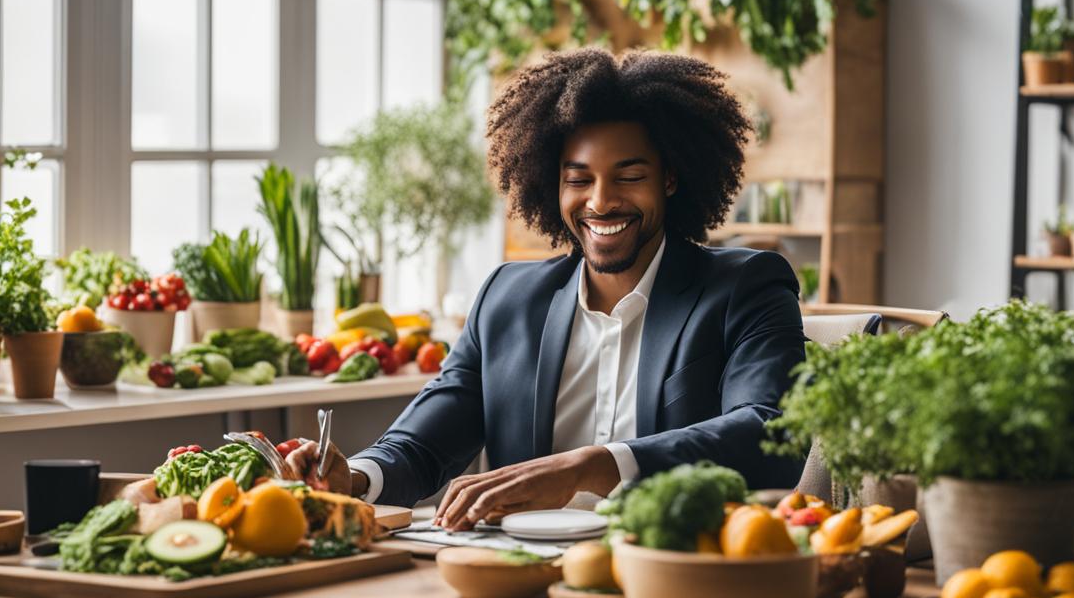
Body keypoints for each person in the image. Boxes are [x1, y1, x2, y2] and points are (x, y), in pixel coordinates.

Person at [310, 47, 806, 530]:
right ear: (554, 186)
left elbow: (767, 432)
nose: (602, 201)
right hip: (516, 578)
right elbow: (421, 447)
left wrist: (593, 467)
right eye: (579, 180)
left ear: (670, 179)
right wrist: (353, 476)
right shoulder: (508, 298)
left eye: (629, 176)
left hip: (667, 575)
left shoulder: (746, 287)